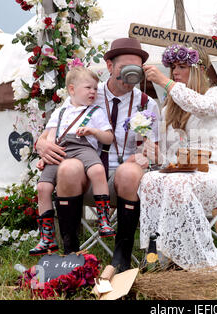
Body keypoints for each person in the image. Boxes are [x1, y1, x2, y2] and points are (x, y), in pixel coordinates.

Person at [35, 38, 160, 268]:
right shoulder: (88, 91)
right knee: (69, 167)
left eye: (136, 68)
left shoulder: (146, 103)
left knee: (130, 172)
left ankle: (121, 256)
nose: (131, 74)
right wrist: (41, 145)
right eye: (124, 68)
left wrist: (145, 155)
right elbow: (55, 128)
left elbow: (154, 152)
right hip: (84, 176)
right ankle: (71, 253)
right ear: (110, 67)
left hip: (122, 181)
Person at [141, 44, 217, 276]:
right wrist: (154, 154)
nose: (175, 71)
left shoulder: (216, 94)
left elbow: (202, 107)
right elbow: (167, 157)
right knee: (150, 180)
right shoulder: (168, 109)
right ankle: (157, 256)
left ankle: (204, 266)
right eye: (172, 67)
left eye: (182, 66)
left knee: (177, 184)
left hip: (215, 173)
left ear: (198, 70)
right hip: (181, 172)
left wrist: (164, 82)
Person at [29, 66, 115, 256]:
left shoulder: (96, 112)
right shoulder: (60, 112)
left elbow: (108, 138)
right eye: (88, 88)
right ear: (72, 89)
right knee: (43, 187)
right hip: (61, 150)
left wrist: (93, 131)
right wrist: (45, 155)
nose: (93, 91)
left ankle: (103, 219)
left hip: (84, 148)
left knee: (97, 171)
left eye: (95, 88)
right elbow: (51, 134)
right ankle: (47, 237)